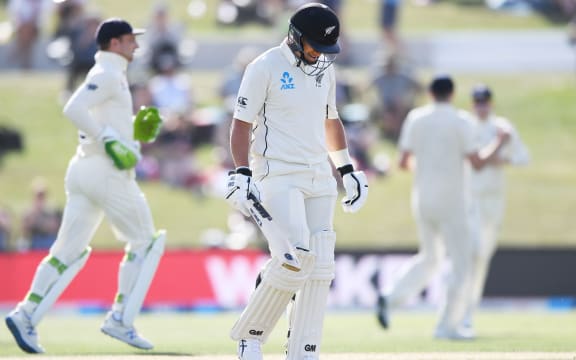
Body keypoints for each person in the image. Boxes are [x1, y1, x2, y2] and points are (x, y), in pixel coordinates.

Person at [4, 18, 166, 354]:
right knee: (147, 242)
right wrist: (106, 137)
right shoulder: (107, 74)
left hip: (83, 171)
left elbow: (98, 120)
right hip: (104, 171)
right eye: (129, 39)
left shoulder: (114, 76)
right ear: (114, 43)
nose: (135, 45)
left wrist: (133, 133)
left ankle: (26, 314)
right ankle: (121, 318)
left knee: (67, 251)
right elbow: (74, 108)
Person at [225, 3, 369, 360]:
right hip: (278, 173)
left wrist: (347, 169)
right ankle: (250, 337)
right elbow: (241, 123)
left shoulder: (324, 71)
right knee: (294, 258)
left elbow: (330, 119)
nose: (320, 55)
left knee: (320, 264)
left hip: (319, 175)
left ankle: (304, 349)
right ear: (294, 37)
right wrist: (243, 172)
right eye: (314, 46)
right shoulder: (265, 67)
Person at [375, 75, 510, 340]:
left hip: (423, 200)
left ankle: (390, 297)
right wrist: (500, 141)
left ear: (430, 93)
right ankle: (447, 326)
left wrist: (428, 169)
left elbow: (402, 162)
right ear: (452, 94)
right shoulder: (461, 121)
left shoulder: (416, 118)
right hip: (453, 203)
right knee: (462, 264)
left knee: (431, 258)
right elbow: (478, 162)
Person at [463, 84, 530, 331]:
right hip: (470, 199)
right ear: (473, 104)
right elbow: (475, 163)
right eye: (477, 102)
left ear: (490, 103)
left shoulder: (503, 127)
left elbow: (524, 157)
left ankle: (469, 313)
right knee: (472, 253)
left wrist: (502, 159)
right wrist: (491, 155)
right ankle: (462, 314)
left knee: (482, 258)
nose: (481, 107)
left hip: (494, 200)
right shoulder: (466, 127)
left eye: (485, 102)